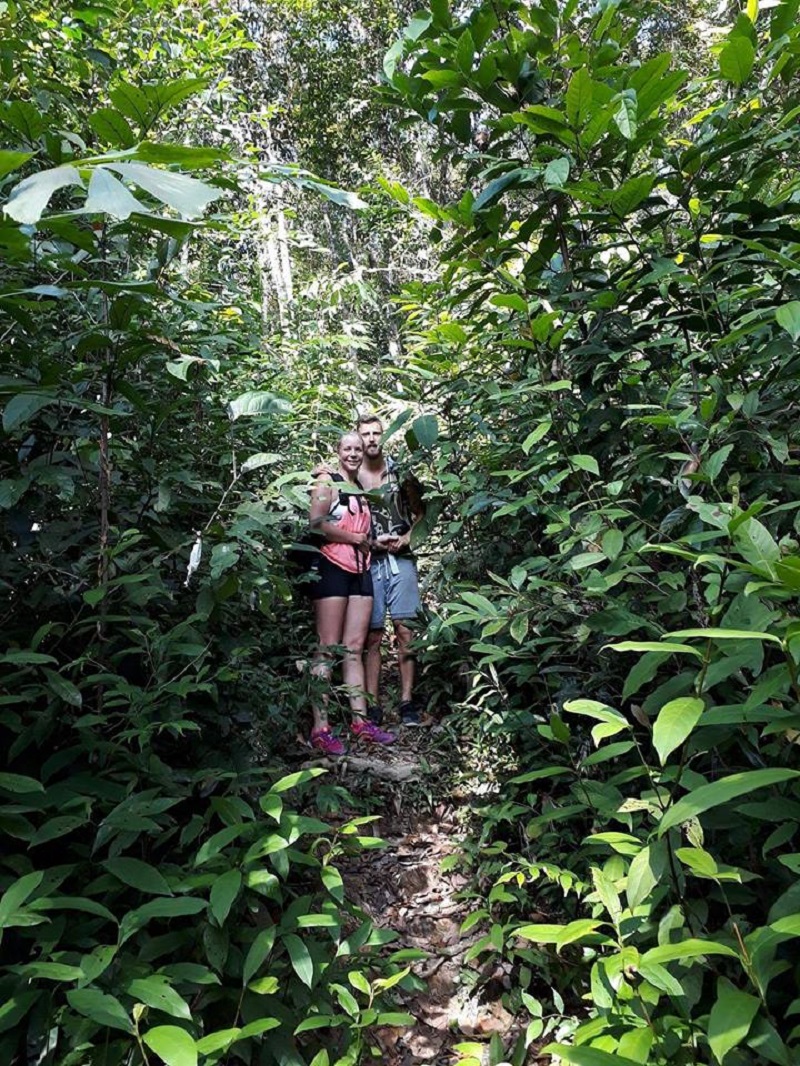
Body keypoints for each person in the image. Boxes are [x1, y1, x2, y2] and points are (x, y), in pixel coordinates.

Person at [308, 431, 396, 755]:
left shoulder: (359, 489)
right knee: (327, 647)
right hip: (332, 568)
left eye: (358, 449)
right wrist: (353, 538)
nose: (354, 453)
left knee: (354, 648)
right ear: (338, 451)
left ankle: (360, 723)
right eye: (348, 448)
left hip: (361, 569)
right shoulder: (326, 482)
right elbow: (315, 523)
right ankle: (320, 728)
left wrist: (374, 543)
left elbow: (361, 535)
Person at [356, 414, 426, 727]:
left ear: (385, 436)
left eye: (376, 433)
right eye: (365, 434)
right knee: (372, 634)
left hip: (402, 559)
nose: (371, 439)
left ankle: (407, 701)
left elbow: (422, 511)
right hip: (367, 561)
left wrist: (408, 537)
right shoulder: (351, 476)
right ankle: (372, 704)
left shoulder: (399, 472)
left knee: (405, 629)